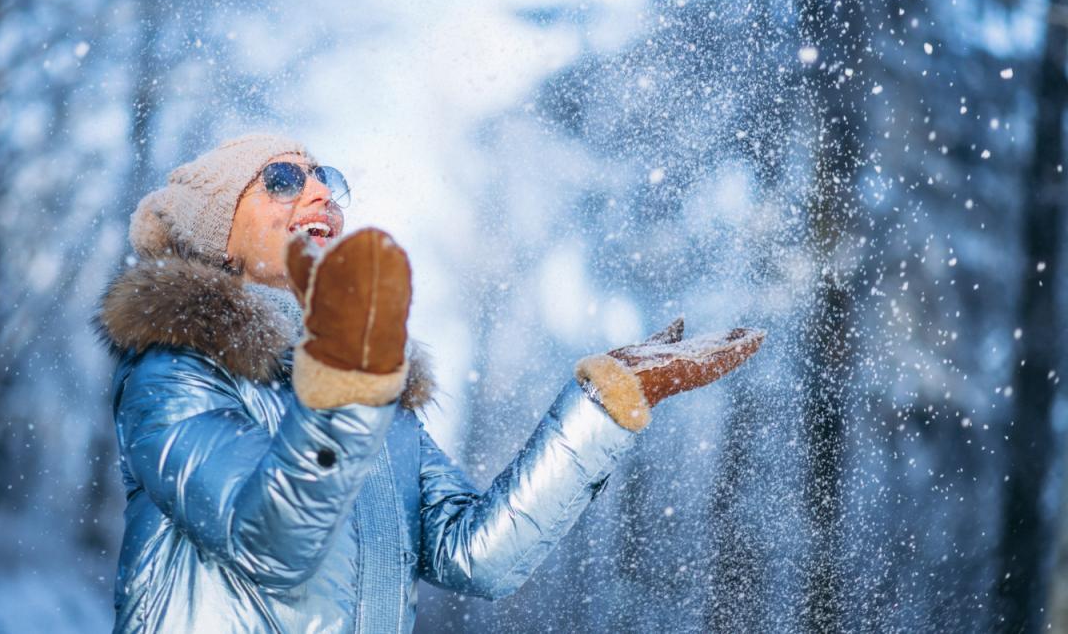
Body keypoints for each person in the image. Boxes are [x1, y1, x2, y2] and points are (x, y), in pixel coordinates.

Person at [93, 133, 765, 633]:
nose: (320, 191)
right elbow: (271, 542)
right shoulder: (172, 368)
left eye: (327, 177)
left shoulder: (376, 391)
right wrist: (352, 380)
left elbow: (476, 556)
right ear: (218, 238)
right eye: (280, 177)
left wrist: (605, 404)